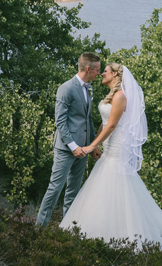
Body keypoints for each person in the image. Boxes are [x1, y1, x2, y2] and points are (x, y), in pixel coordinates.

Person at [59, 63, 162, 250]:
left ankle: (120, 236)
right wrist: (96, 145)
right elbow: (105, 123)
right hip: (107, 148)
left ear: (115, 74)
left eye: (106, 71)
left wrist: (91, 146)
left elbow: (112, 126)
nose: (102, 73)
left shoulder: (120, 97)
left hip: (117, 148)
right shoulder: (111, 96)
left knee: (117, 186)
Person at [36, 52, 102, 227]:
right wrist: (73, 146)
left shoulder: (89, 88)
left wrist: (93, 145)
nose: (99, 74)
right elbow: (60, 122)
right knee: (55, 189)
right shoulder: (66, 88)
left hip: (84, 149)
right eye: (97, 70)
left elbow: (88, 118)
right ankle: (38, 230)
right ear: (88, 69)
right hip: (66, 149)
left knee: (74, 192)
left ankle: (68, 231)